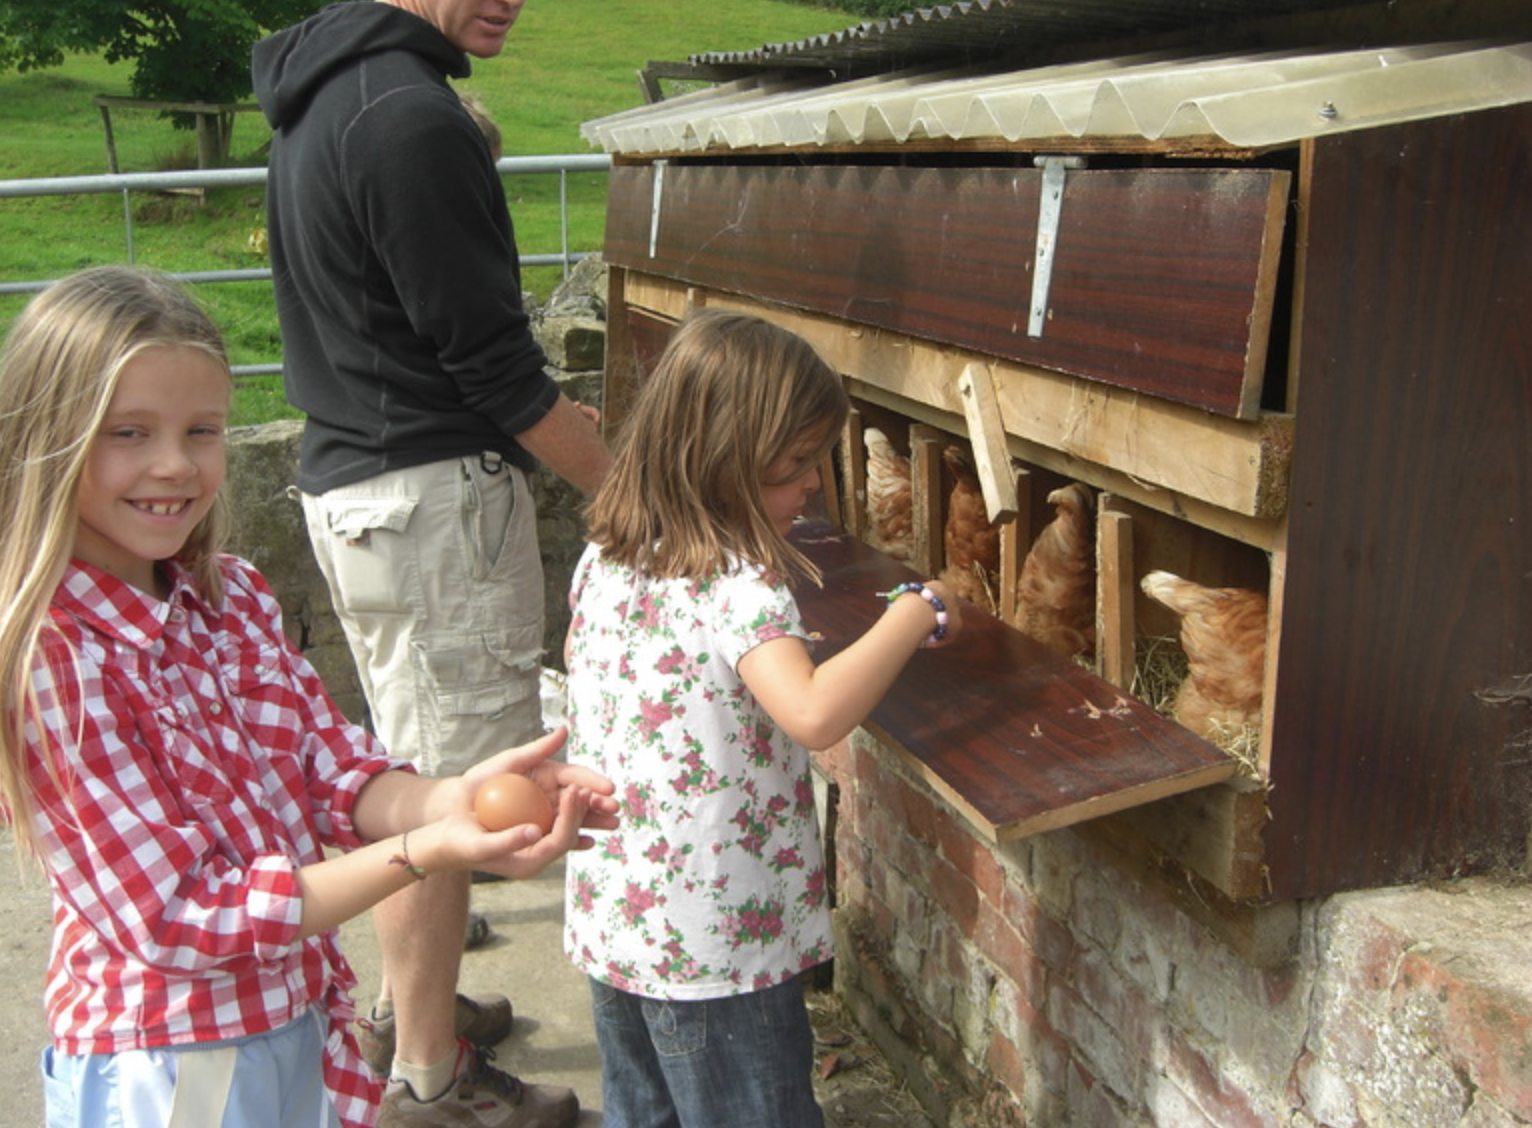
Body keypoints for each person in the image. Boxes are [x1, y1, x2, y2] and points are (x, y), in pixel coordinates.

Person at [0, 265, 618, 1128]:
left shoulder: (231, 597)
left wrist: (458, 798)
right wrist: (425, 850)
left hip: (292, 1021)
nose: (174, 464)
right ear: (46, 439)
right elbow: (180, 919)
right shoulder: (49, 659)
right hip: (175, 1067)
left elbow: (332, 769)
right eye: (129, 432)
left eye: (202, 430)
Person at [251, 1, 612, 1123]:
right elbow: (500, 372)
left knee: (410, 764)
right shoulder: (414, 118)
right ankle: (426, 1074)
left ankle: (422, 1009)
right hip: (426, 506)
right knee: (453, 797)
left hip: (359, 491)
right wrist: (655, 496)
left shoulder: (322, 97)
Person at [561, 309, 965, 1127]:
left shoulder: (607, 553)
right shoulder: (736, 581)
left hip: (623, 922)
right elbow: (813, 712)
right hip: (717, 947)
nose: (812, 485)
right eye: (793, 466)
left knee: (644, 1113)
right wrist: (916, 610)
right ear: (721, 462)